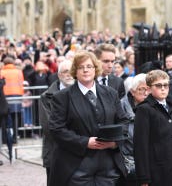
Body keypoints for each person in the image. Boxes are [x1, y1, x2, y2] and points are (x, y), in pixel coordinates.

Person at [48, 50, 128, 186]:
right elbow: (56, 129)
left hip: (108, 164)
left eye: (89, 66)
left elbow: (124, 121)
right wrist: (85, 142)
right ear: (75, 71)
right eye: (81, 67)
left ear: (96, 69)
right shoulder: (62, 97)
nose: (85, 70)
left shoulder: (110, 93)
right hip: (76, 165)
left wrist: (115, 142)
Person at [134, 69, 172, 186]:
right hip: (157, 171)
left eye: (166, 85)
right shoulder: (144, 109)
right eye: (158, 85)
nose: (163, 88)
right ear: (149, 88)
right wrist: (143, 177)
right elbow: (140, 145)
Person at [39, 59, 74, 184]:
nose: (69, 74)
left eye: (71, 71)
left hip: (77, 152)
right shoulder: (46, 96)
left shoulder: (82, 93)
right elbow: (49, 126)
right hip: (55, 150)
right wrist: (73, 139)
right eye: (65, 72)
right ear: (59, 75)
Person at [120, 73, 148, 186]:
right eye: (141, 89)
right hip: (129, 164)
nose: (146, 93)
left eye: (148, 89)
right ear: (132, 91)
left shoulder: (152, 105)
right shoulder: (121, 107)